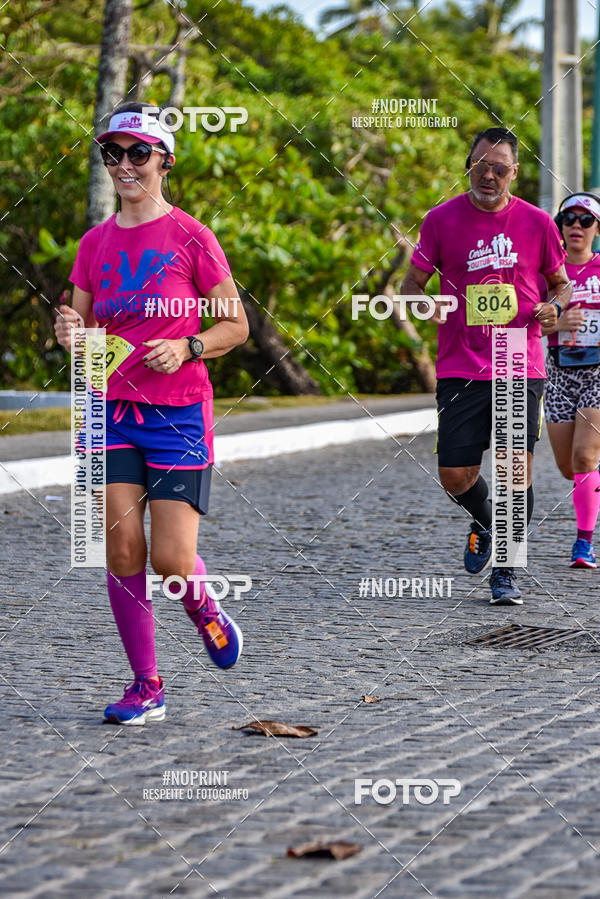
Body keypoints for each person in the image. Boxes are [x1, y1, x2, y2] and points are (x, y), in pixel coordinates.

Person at [54, 102, 249, 724]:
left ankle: (203, 607)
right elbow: (84, 329)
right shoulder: (95, 243)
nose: (124, 165)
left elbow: (236, 326)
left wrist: (189, 345)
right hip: (109, 411)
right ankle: (147, 685)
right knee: (119, 550)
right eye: (113, 154)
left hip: (179, 414)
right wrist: (69, 334)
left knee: (169, 560)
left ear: (165, 161)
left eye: (139, 153)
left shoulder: (194, 237)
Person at [401, 126, 571, 605]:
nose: (489, 175)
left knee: (517, 469)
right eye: (481, 165)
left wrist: (554, 308)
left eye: (500, 168)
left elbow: (561, 284)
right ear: (467, 165)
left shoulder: (538, 223)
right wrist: (423, 306)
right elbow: (413, 284)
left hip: (519, 356)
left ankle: (508, 569)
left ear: (514, 173)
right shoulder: (440, 220)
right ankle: (486, 518)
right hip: (460, 364)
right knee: (455, 475)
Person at [542, 193, 600, 568]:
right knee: (570, 468)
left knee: (584, 456)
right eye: (569, 218)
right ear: (560, 224)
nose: (576, 226)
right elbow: (526, 320)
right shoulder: (547, 271)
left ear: (596, 228)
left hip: (598, 372)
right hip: (558, 373)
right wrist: (556, 323)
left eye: (585, 219)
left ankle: (583, 543)